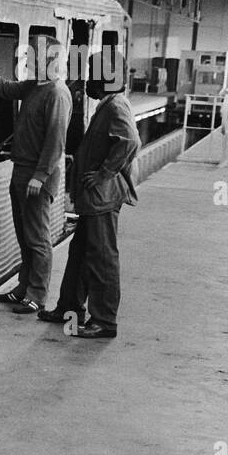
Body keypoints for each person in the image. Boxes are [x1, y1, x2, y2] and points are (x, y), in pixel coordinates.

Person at [0, 44, 71, 314]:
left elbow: (56, 141)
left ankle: (37, 295)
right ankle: (23, 287)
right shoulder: (35, 86)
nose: (28, 62)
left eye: (34, 59)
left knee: (37, 238)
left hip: (37, 175)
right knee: (24, 235)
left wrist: (40, 176)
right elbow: (6, 89)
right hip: (22, 170)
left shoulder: (56, 93)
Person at [37, 66, 140, 339]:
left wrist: (104, 173)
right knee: (80, 253)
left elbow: (130, 141)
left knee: (102, 258)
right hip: (93, 199)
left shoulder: (116, 106)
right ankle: (69, 310)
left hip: (102, 198)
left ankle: (105, 321)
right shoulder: (109, 104)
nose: (88, 81)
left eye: (94, 75)